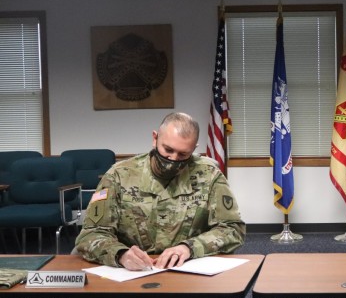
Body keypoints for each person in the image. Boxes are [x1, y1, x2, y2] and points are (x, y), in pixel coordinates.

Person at [75, 112, 246, 270]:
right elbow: (90, 234)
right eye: (168, 150)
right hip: (132, 273)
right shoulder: (119, 175)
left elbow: (232, 229)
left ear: (194, 149)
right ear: (155, 138)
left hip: (187, 269)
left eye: (182, 154)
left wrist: (190, 248)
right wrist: (120, 254)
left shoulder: (209, 175)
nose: (173, 160)